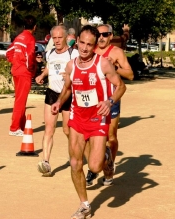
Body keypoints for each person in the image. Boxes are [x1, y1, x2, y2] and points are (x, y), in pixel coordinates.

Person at [51, 24, 126, 219]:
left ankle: (107, 155)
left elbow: (121, 86)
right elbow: (67, 88)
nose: (84, 48)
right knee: (75, 163)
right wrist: (59, 102)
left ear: (95, 47)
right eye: (82, 43)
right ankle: (84, 205)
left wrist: (110, 102)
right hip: (77, 119)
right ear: (76, 42)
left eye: (89, 45)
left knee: (94, 167)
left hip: (98, 119)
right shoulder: (71, 65)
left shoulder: (103, 64)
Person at [84, 23, 133, 186]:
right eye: (99, 35)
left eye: (105, 35)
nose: (102, 38)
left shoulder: (117, 52)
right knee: (89, 136)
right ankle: (93, 168)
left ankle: (109, 169)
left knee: (110, 137)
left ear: (111, 36)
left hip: (111, 99)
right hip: (92, 100)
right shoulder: (91, 50)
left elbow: (130, 75)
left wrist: (114, 68)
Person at [34, 25, 79, 176]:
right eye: (54, 38)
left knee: (67, 130)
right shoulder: (50, 52)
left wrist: (71, 77)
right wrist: (42, 76)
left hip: (68, 95)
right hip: (52, 93)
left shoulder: (74, 54)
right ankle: (46, 162)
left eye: (60, 37)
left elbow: (81, 72)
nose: (57, 41)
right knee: (49, 128)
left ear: (66, 37)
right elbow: (49, 67)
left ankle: (76, 153)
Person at [6, 15, 37, 136]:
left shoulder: (19, 37)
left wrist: (14, 61)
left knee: (20, 99)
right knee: (20, 100)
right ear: (34, 27)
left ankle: (21, 126)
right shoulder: (30, 38)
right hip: (24, 72)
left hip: (16, 70)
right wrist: (30, 68)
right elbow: (30, 56)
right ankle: (14, 128)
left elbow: (9, 51)